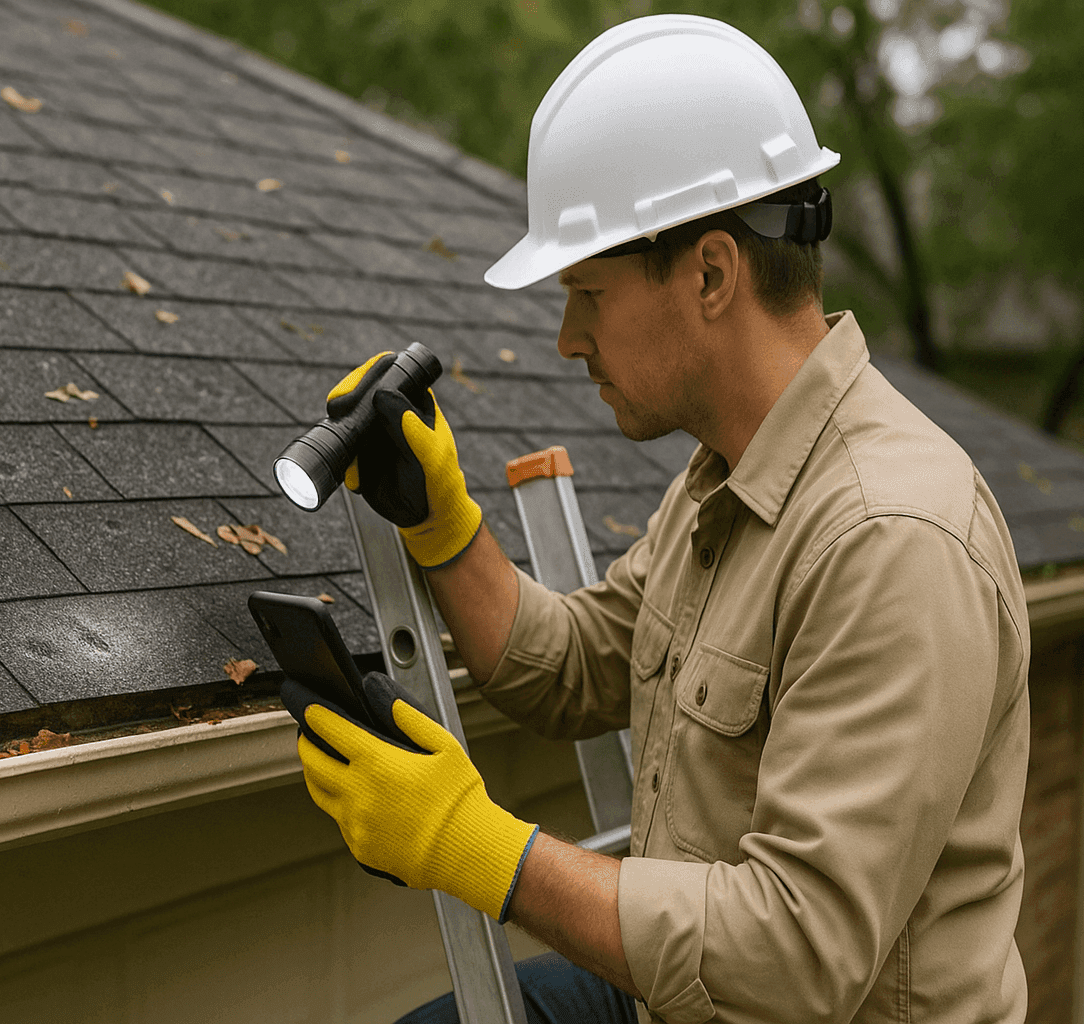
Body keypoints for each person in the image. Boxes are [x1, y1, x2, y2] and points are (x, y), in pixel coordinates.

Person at [282, 15, 1030, 1024]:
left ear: (712, 273)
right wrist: (445, 526)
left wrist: (477, 845)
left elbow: (797, 956)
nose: (565, 338)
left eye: (587, 293)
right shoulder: (730, 478)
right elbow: (581, 664)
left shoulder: (891, 537)